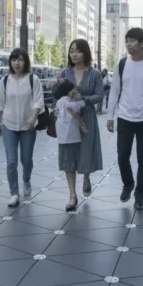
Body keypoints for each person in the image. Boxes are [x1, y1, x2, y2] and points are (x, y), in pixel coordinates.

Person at [106, 28, 143, 210]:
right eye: (127, 41)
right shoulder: (121, 64)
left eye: (132, 41)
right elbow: (114, 90)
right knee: (122, 155)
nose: (128, 44)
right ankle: (128, 183)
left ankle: (140, 195)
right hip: (124, 117)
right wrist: (110, 115)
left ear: (142, 44)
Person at [0, 48, 45, 207]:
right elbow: (0, 103)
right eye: (14, 59)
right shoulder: (5, 80)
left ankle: (26, 179)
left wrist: (33, 117)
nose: (17, 63)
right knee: (11, 161)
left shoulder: (33, 79)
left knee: (26, 160)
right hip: (9, 124)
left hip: (28, 126)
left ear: (26, 62)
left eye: (21, 59)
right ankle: (14, 193)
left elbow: (38, 101)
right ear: (10, 62)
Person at [58, 39, 104, 197]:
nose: (74, 54)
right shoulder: (65, 72)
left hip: (87, 118)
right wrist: (58, 86)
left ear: (85, 52)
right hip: (68, 118)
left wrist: (84, 99)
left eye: (78, 51)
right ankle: (72, 194)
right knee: (68, 153)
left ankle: (86, 176)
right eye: (71, 51)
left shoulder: (94, 73)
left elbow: (100, 95)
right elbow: (57, 94)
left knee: (85, 151)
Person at [55, 80, 87, 211]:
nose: (75, 91)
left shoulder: (59, 102)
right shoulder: (69, 102)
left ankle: (73, 193)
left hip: (63, 139)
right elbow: (80, 105)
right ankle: (79, 187)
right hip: (72, 139)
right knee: (74, 164)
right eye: (73, 90)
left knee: (69, 165)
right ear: (69, 91)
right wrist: (81, 99)